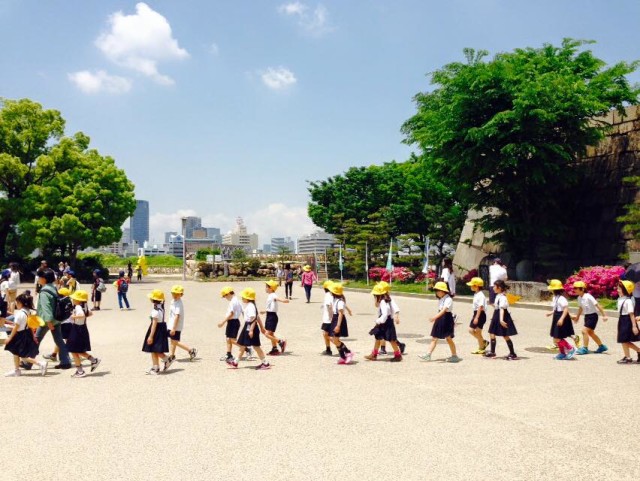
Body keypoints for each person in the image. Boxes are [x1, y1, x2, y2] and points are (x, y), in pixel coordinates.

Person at [35, 268, 72, 369]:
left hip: (47, 321)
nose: (38, 279)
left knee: (36, 339)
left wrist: (48, 321)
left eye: (39, 277)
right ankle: (65, 361)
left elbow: (46, 307)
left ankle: (28, 361)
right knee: (59, 340)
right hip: (56, 319)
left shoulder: (44, 291)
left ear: (44, 279)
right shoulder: (53, 287)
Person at [3, 292, 48, 377]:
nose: (16, 304)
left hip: (20, 335)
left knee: (22, 355)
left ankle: (40, 363)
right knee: (15, 352)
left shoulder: (19, 313)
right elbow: (29, 325)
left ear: (20, 303)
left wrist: (9, 338)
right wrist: (33, 336)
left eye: (17, 302)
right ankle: (17, 370)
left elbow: (16, 327)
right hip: (26, 333)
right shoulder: (28, 312)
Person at [226, 288, 271, 370]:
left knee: (256, 346)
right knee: (242, 345)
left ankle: (265, 363)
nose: (242, 298)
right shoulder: (251, 305)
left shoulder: (250, 306)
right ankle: (235, 362)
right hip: (248, 326)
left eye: (243, 297)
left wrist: (251, 330)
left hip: (250, 326)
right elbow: (257, 317)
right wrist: (261, 327)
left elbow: (253, 318)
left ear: (248, 298)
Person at [419, 281, 460, 362]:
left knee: (448, 338)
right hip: (440, 318)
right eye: (436, 291)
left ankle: (454, 355)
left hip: (446, 319)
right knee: (434, 337)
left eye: (438, 291)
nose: (437, 293)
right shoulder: (442, 298)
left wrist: (434, 318)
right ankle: (428, 354)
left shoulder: (448, 299)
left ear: (443, 291)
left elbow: (444, 311)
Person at [364, 283, 403, 362]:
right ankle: (374, 354)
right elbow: (394, 308)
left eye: (375, 295)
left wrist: (378, 321)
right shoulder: (387, 299)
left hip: (385, 322)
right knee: (378, 337)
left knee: (391, 339)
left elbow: (384, 314)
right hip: (387, 321)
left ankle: (398, 355)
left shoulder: (383, 301)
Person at [66, 290, 101, 378]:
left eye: (74, 298)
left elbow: (81, 315)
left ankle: (80, 371)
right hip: (82, 328)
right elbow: (90, 313)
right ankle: (93, 360)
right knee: (78, 350)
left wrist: (73, 317)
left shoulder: (78, 307)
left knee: (74, 350)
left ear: (78, 299)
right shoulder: (84, 306)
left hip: (77, 329)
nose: (73, 300)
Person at [484, 280, 518, 359]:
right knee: (492, 332)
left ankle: (512, 353)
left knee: (505, 335)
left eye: (495, 286)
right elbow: (498, 307)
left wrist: (501, 320)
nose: (493, 288)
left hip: (501, 316)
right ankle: (492, 352)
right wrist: (493, 305)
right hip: (496, 315)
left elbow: (502, 309)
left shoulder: (502, 297)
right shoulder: (498, 295)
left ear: (499, 288)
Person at [141, 289, 173, 375]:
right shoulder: (161, 308)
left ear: (153, 300)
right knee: (154, 349)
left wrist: (151, 336)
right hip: (161, 328)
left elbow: (154, 324)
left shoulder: (155, 311)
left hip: (156, 330)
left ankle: (166, 360)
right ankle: (156, 366)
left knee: (154, 349)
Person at [571, 281, 608, 354]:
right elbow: (581, 308)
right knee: (591, 333)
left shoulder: (588, 296)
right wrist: (577, 317)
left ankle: (585, 348)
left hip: (593, 316)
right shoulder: (579, 298)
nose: (574, 290)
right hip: (587, 316)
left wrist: (604, 315)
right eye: (574, 288)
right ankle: (601, 346)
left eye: (576, 288)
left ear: (582, 289)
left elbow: (598, 305)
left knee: (584, 331)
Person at [546, 279, 576, 360]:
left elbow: (565, 309)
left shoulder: (562, 298)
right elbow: (556, 308)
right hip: (556, 316)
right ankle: (562, 353)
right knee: (557, 337)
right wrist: (551, 312)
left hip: (561, 317)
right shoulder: (555, 298)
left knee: (557, 338)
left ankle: (570, 348)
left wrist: (561, 319)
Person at [166, 285, 197, 363]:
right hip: (171, 324)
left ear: (181, 295)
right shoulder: (173, 301)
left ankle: (189, 351)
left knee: (174, 341)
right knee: (173, 341)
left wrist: (174, 328)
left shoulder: (179, 304)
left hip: (176, 325)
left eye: (177, 294)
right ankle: (174, 355)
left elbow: (177, 316)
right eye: (174, 293)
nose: (175, 295)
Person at [42, 287, 73, 363]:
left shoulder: (60, 302)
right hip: (69, 323)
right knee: (61, 340)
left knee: (61, 341)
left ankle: (76, 354)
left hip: (63, 323)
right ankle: (54, 354)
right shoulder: (69, 301)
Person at [376, 281, 405, 355]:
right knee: (384, 335)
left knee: (389, 336)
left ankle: (397, 347)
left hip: (387, 319)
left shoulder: (389, 299)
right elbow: (376, 305)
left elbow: (396, 308)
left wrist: (397, 316)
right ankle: (384, 349)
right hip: (383, 318)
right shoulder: (380, 298)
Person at [327, 282, 354, 365]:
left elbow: (341, 314)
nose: (330, 292)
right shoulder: (335, 300)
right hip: (335, 319)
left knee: (335, 339)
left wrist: (338, 325)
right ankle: (343, 356)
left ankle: (348, 352)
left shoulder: (340, 302)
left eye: (331, 291)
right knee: (333, 339)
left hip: (339, 320)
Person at [260, 280, 289, 356]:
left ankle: (280, 342)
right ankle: (274, 349)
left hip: (272, 317)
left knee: (267, 334)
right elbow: (271, 307)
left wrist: (283, 300)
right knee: (271, 334)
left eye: (266, 287)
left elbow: (277, 298)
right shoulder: (270, 295)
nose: (265, 288)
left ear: (271, 288)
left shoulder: (273, 295)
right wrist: (265, 311)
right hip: (270, 315)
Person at [616, 280, 640, 364]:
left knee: (625, 340)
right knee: (622, 340)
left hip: (627, 321)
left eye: (619, 288)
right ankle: (628, 357)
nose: (617, 290)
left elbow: (631, 314)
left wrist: (634, 326)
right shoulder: (620, 299)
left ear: (625, 290)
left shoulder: (628, 301)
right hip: (622, 320)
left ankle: (638, 351)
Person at [218, 286, 242, 362]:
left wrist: (223, 322)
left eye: (225, 296)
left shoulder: (233, 301)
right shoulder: (236, 300)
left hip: (233, 322)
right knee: (228, 339)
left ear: (228, 294)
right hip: (234, 321)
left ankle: (246, 348)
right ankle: (229, 354)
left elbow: (231, 313)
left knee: (231, 340)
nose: (225, 298)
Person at [467, 277, 489, 354]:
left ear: (476, 286)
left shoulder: (480, 295)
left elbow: (481, 307)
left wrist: (476, 317)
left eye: (472, 285)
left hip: (480, 314)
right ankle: (482, 343)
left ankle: (481, 347)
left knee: (473, 330)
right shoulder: (476, 294)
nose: (470, 287)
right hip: (477, 314)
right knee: (474, 331)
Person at [320, 280, 334, 355]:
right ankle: (328, 349)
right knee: (326, 334)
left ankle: (342, 347)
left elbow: (329, 305)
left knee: (327, 335)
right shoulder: (332, 294)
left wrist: (331, 316)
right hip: (329, 318)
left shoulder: (328, 295)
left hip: (328, 319)